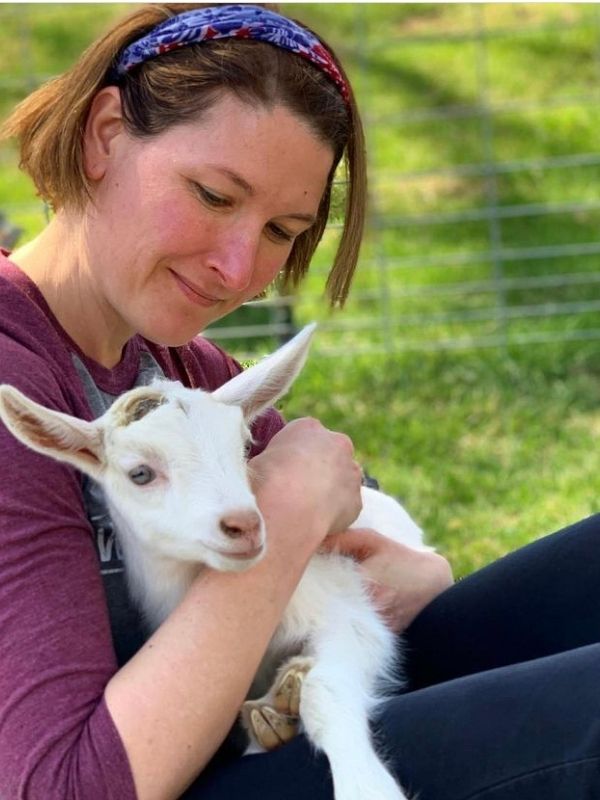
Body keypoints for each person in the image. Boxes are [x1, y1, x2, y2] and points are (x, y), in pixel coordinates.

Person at [0, 4, 598, 800]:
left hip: (277, 719)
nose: (241, 268)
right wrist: (281, 511)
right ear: (106, 134)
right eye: (214, 195)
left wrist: (418, 571)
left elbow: (367, 546)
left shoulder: (187, 367)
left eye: (283, 230)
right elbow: (63, 787)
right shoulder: (20, 385)